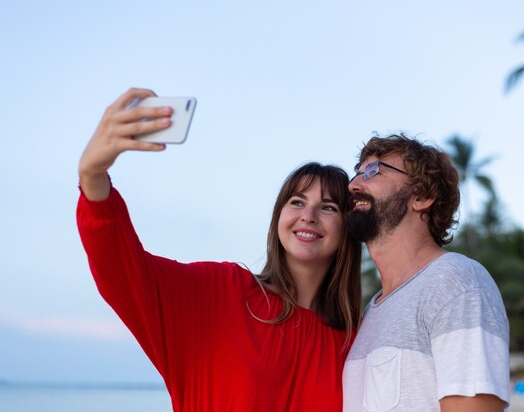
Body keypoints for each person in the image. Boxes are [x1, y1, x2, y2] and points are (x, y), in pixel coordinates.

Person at [76, 88, 362, 412]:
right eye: (297, 202)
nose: (308, 216)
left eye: (328, 207)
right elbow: (122, 270)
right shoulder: (224, 292)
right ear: (278, 216)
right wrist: (92, 176)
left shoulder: (354, 343)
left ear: (347, 227)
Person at [342, 134, 510, 412]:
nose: (353, 185)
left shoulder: (455, 281)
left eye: (373, 171)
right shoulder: (371, 311)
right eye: (357, 173)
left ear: (422, 196)